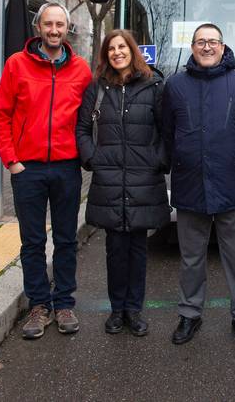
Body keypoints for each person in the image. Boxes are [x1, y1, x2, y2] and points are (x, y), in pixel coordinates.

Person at [0, 3, 92, 340]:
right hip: (28, 169)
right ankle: (39, 305)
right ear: (39, 27)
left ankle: (64, 302)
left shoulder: (81, 70)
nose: (54, 30)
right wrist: (12, 161)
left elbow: (90, 118)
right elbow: (1, 115)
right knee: (32, 242)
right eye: (48, 24)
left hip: (66, 168)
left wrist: (85, 156)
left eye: (60, 24)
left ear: (67, 29)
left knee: (65, 239)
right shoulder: (16, 65)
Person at [161, 23, 235, 346]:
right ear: (192, 47)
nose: (207, 47)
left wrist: (233, 157)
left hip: (232, 184)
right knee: (191, 258)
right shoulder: (175, 86)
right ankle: (190, 314)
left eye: (213, 42)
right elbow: (167, 133)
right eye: (201, 42)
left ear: (223, 46)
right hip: (189, 184)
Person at [75, 30, 170, 337]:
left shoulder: (154, 85)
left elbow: (167, 130)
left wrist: (158, 160)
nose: (117, 52)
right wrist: (93, 159)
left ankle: (134, 309)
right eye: (111, 48)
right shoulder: (98, 87)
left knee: (138, 249)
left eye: (122, 47)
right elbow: (82, 129)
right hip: (110, 178)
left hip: (144, 178)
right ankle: (117, 310)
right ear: (106, 54)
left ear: (132, 51)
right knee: (115, 249)